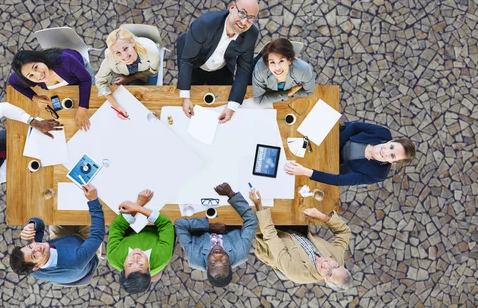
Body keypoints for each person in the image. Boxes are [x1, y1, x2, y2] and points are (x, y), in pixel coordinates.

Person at [249, 188, 353, 291]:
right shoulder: (337, 258)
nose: (327, 265)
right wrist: (321, 216)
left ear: (325, 280)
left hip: (269, 235)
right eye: (335, 266)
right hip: (294, 229)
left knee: (247, 207)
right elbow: (344, 232)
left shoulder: (296, 272)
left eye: (329, 273)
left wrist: (259, 206)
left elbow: (270, 237)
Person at [176, 0, 259, 123]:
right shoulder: (204, 24)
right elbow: (188, 60)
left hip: (223, 66)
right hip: (196, 63)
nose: (244, 22)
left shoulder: (251, 33)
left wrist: (232, 107)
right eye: (242, 13)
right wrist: (185, 98)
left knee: (220, 102)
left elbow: (244, 69)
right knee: (190, 107)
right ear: (232, 7)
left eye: (251, 18)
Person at [8, 184, 105, 286]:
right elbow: (97, 235)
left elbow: (40, 225)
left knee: (59, 207)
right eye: (34, 255)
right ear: (36, 267)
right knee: (91, 211)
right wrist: (93, 200)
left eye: (29, 246)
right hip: (85, 251)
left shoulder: (31, 259)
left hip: (62, 241)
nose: (36, 247)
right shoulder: (75, 262)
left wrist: (31, 224)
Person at [174, 182, 258, 288]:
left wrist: (209, 227)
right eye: (224, 261)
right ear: (230, 265)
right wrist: (231, 194)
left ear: (207, 266)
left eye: (213, 262)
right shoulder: (241, 252)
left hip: (199, 212)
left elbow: (179, 225)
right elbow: (251, 220)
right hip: (227, 213)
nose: (218, 255)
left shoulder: (194, 257)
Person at [284, 121, 416, 186]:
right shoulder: (382, 133)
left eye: (392, 155)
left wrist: (305, 171)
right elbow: (355, 127)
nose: (385, 151)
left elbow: (339, 181)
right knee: (291, 132)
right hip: (333, 138)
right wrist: (333, 148)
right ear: (391, 140)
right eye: (391, 146)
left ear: (393, 162)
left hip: (333, 165)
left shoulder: (378, 174)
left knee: (292, 167)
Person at [8, 48, 94, 131]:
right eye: (31, 75)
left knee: (94, 95)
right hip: (68, 83)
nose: (38, 75)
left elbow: (85, 79)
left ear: (40, 59)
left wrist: (82, 108)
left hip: (82, 71)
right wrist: (35, 98)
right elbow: (12, 81)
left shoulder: (65, 60)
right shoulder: (27, 76)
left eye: (36, 67)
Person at [106, 190, 174, 294]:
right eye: (141, 264)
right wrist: (138, 208)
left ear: (123, 267)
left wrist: (138, 204)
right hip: (156, 227)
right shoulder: (163, 257)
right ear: (149, 268)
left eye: (130, 263)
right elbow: (165, 225)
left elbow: (116, 227)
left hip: (129, 228)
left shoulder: (113, 257)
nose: (136, 257)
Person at [95, 27, 160, 119]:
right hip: (125, 73)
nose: (124, 56)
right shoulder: (110, 56)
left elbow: (153, 71)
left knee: (149, 103)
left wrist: (129, 79)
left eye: (125, 48)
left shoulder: (151, 51)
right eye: (118, 53)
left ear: (132, 42)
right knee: (129, 104)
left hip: (147, 72)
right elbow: (100, 81)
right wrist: (117, 107)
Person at [252, 38, 315, 104]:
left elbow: (308, 92)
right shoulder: (260, 70)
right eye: (272, 62)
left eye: (281, 61)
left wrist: (273, 96)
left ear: (289, 60)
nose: (277, 68)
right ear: (267, 63)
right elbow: (258, 99)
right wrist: (288, 93)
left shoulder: (304, 70)